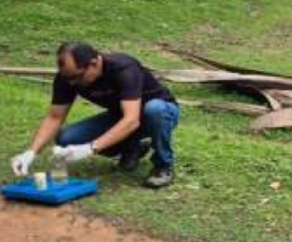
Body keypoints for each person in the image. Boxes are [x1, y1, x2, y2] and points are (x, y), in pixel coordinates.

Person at [9, 42, 180, 188]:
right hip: (121, 116)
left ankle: (163, 166)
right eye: (68, 78)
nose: (73, 83)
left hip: (160, 113)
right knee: (67, 138)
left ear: (95, 63)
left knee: (154, 109)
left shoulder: (123, 68)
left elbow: (131, 120)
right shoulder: (68, 77)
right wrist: (31, 152)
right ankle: (132, 148)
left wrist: (91, 148)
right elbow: (54, 117)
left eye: (77, 77)